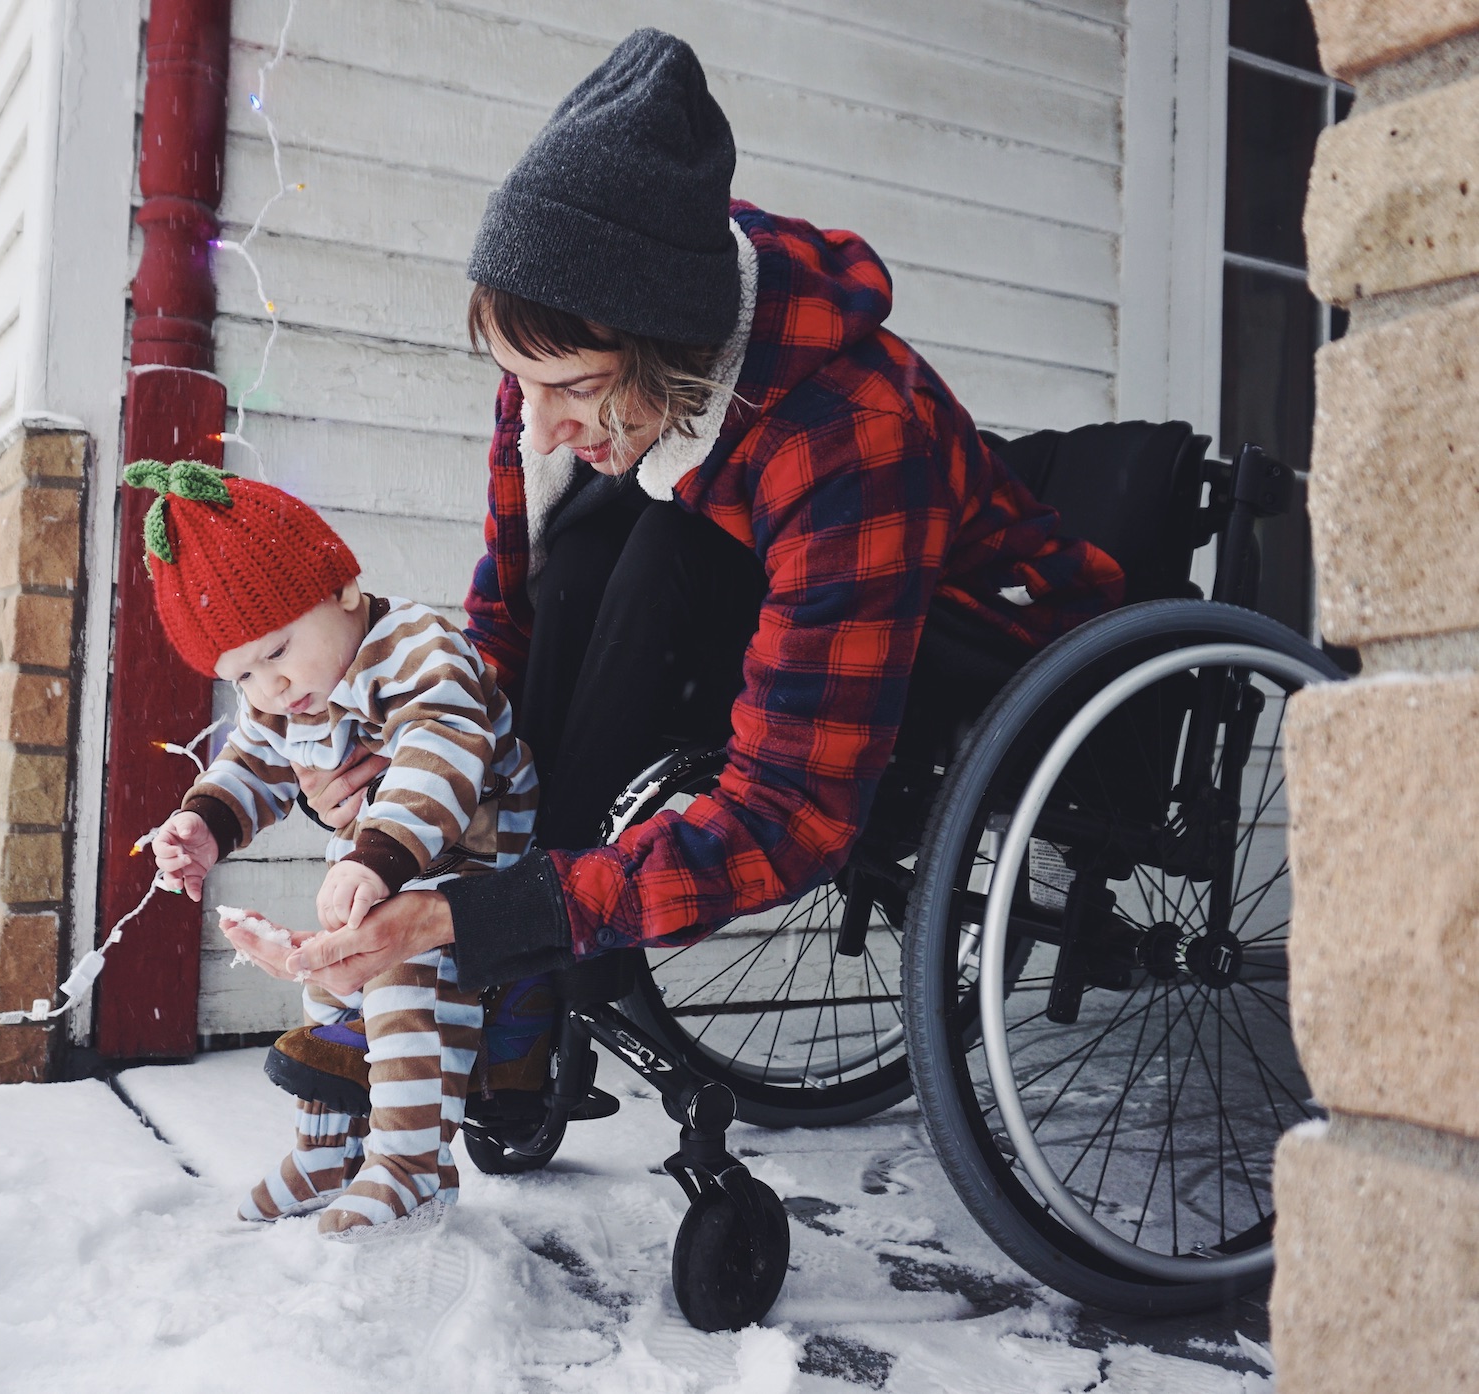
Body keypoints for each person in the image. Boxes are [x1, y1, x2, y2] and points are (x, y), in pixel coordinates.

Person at [269, 30, 1125, 1014]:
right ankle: (518, 971)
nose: (532, 423)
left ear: (671, 355)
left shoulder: (853, 435)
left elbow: (790, 813)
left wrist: (486, 919)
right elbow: (509, 628)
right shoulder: (557, 382)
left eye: (574, 388)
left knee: (662, 545)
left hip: (973, 649)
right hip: (763, 600)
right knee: (585, 551)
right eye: (517, 381)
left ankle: (530, 982)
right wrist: (399, 775)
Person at [126, 459, 538, 1239]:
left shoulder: (418, 648)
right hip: (380, 867)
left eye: (276, 653)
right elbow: (253, 760)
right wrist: (205, 822)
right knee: (327, 987)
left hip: (473, 867)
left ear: (343, 590)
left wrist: (375, 855)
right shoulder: (292, 696)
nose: (269, 690)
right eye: (241, 675)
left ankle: (412, 1163)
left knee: (399, 980)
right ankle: (326, 1153)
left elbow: (442, 752)